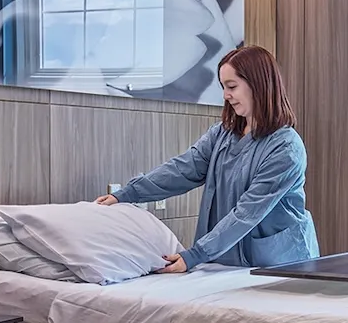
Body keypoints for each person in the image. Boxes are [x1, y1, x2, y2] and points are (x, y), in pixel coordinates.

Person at [97, 45, 319, 273]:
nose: (226, 96)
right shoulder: (222, 134)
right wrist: (127, 194)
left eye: (232, 86)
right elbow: (182, 170)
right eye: (223, 87)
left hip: (283, 263)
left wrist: (196, 254)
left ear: (258, 85)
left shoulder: (285, 148)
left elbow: (248, 212)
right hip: (226, 261)